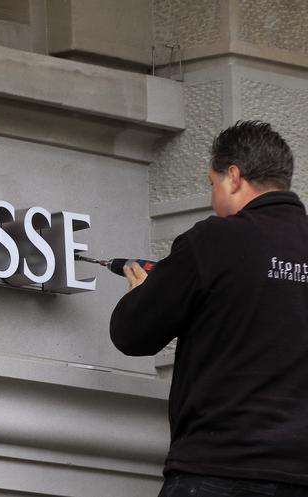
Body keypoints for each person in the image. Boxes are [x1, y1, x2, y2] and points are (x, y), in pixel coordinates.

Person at [110, 120, 308, 496]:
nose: (213, 197)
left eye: (212, 184)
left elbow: (133, 334)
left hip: (217, 468)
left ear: (233, 176)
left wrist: (138, 293)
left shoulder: (214, 240)